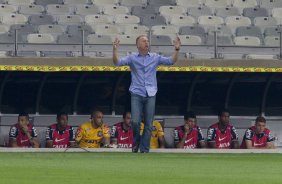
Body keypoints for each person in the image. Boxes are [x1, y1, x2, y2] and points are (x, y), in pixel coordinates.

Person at [113, 35, 181, 153]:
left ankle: (144, 149)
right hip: (136, 93)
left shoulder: (155, 57)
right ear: (138, 45)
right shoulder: (132, 58)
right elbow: (117, 62)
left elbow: (171, 61)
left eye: (147, 40)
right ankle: (136, 142)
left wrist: (176, 49)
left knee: (149, 124)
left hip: (150, 94)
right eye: (144, 41)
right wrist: (115, 50)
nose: (146, 42)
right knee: (135, 122)